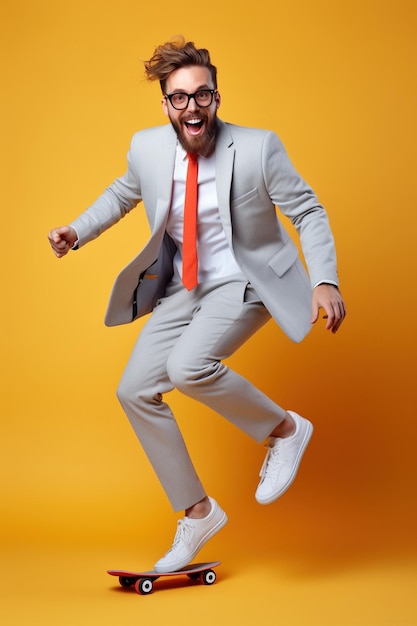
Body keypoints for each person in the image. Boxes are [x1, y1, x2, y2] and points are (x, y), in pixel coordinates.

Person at [48, 36, 346, 573]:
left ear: (216, 98)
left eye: (202, 96)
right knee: (134, 389)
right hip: (185, 287)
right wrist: (77, 230)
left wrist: (325, 280)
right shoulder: (147, 148)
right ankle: (198, 513)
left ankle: (284, 430)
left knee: (187, 368)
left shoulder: (258, 147)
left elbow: (307, 209)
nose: (192, 108)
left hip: (246, 282)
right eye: (180, 98)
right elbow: (122, 193)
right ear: (165, 104)